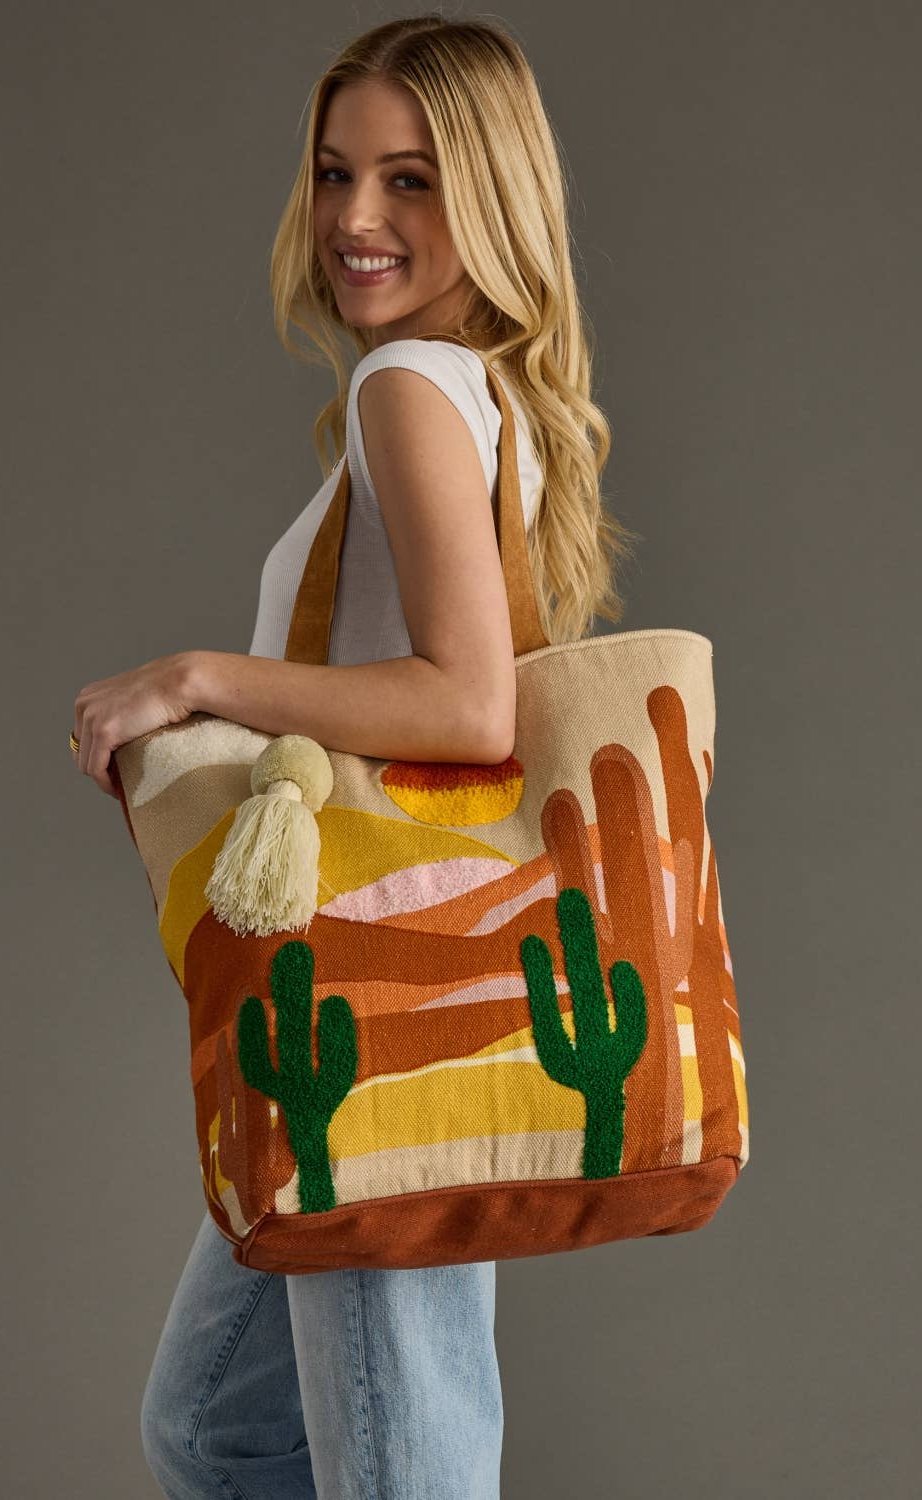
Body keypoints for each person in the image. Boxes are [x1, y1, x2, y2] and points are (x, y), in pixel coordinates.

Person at [71, 14, 634, 1498]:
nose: (357, 221)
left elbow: (468, 707)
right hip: (366, 1006)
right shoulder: (469, 392)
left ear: (495, 196)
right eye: (335, 174)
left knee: (401, 1471)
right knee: (212, 1427)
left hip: (381, 994)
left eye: (412, 180)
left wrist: (197, 677)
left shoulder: (411, 390)